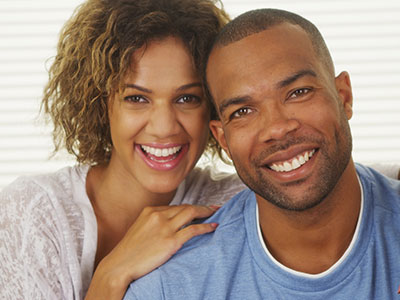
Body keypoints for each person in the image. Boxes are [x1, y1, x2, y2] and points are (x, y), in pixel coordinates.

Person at [123, 8, 400, 299]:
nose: (277, 128)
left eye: (298, 92)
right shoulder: (169, 288)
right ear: (223, 139)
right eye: (243, 111)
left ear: (343, 96)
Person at [0, 1, 249, 299]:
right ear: (98, 102)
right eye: (137, 98)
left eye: (187, 99)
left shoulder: (238, 203)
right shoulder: (31, 213)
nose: (164, 127)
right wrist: (113, 273)